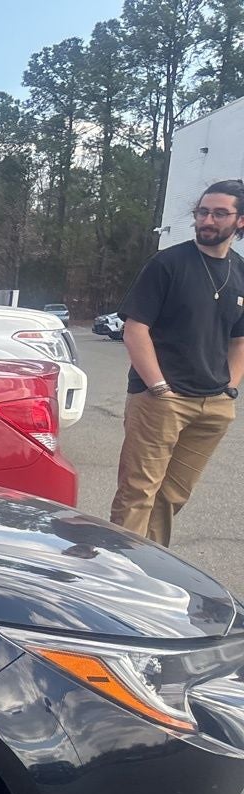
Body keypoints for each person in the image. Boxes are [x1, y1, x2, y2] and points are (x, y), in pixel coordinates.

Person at [109, 179, 244, 546]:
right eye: (203, 212)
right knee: (139, 493)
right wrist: (158, 387)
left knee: (171, 498)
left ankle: (150, 568)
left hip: (213, 405)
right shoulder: (167, 264)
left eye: (219, 213)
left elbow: (239, 339)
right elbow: (135, 329)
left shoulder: (240, 271)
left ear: (240, 220)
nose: (208, 220)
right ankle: (117, 576)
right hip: (161, 400)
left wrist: (230, 386)